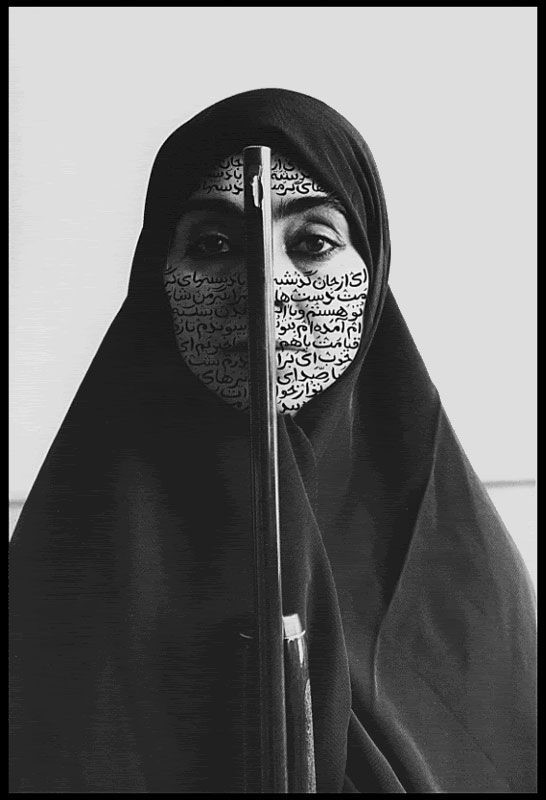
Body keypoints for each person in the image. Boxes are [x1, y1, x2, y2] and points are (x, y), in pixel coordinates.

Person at [9, 88, 536, 793]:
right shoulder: (67, 568)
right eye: (214, 245)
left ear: (372, 269)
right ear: (159, 274)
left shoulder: (464, 575)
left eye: (312, 243)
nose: (266, 286)